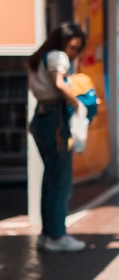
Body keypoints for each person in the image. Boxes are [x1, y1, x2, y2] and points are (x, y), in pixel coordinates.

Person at [28, 22, 87, 254]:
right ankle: (57, 235)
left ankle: (48, 233)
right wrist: (77, 103)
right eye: (73, 47)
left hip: (41, 117)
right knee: (60, 179)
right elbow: (59, 83)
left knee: (50, 179)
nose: (73, 53)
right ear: (62, 42)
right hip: (54, 119)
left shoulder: (40, 57)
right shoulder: (56, 57)